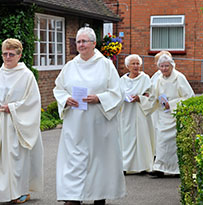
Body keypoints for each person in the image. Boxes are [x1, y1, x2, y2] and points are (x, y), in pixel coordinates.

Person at [53, 27, 126, 205]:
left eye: (85, 41)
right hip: (75, 125)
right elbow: (58, 88)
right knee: (73, 161)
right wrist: (65, 99)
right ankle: (72, 197)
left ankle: (99, 195)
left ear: (94, 43)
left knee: (99, 162)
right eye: (78, 41)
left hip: (99, 124)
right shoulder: (70, 66)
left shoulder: (106, 65)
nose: (81, 44)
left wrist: (99, 98)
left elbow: (118, 93)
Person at [0, 38, 44, 203]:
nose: (7, 57)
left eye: (11, 54)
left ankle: (20, 191)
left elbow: (32, 101)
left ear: (19, 55)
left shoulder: (26, 76)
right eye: (5, 53)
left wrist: (11, 107)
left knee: (16, 160)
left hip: (17, 125)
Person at [151, 54, 194, 177]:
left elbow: (188, 96)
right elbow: (154, 94)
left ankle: (175, 168)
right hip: (162, 114)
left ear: (172, 66)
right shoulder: (159, 79)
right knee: (161, 141)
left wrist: (172, 104)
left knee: (174, 142)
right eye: (162, 66)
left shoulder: (179, 78)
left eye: (166, 66)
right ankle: (159, 167)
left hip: (175, 114)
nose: (164, 69)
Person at [119, 54, 155, 173]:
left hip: (141, 113)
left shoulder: (145, 78)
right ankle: (126, 166)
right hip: (126, 113)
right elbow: (117, 95)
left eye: (137, 63)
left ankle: (143, 166)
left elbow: (151, 96)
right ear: (127, 66)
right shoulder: (122, 80)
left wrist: (140, 98)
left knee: (142, 138)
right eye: (133, 64)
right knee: (127, 139)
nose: (136, 66)